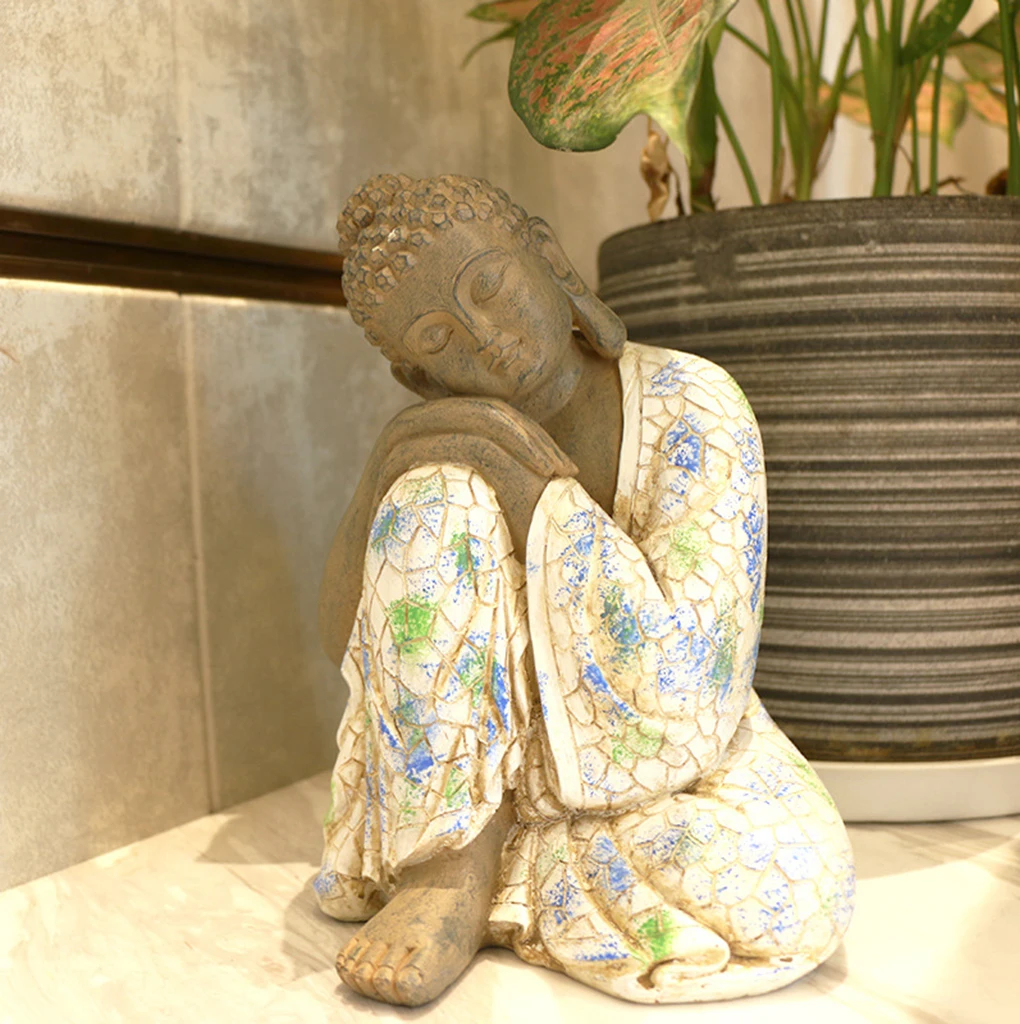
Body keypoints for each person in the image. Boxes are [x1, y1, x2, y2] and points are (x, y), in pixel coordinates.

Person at [314, 173, 854, 1006]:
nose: (484, 337)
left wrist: (534, 494)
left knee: (792, 884)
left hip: (666, 764)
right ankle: (448, 869)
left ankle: (508, 862)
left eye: (488, 286)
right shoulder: (443, 445)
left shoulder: (692, 406)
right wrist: (386, 467)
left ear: (548, 256)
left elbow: (694, 694)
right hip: (469, 777)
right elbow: (349, 647)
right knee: (429, 494)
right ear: (416, 375)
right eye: (439, 336)